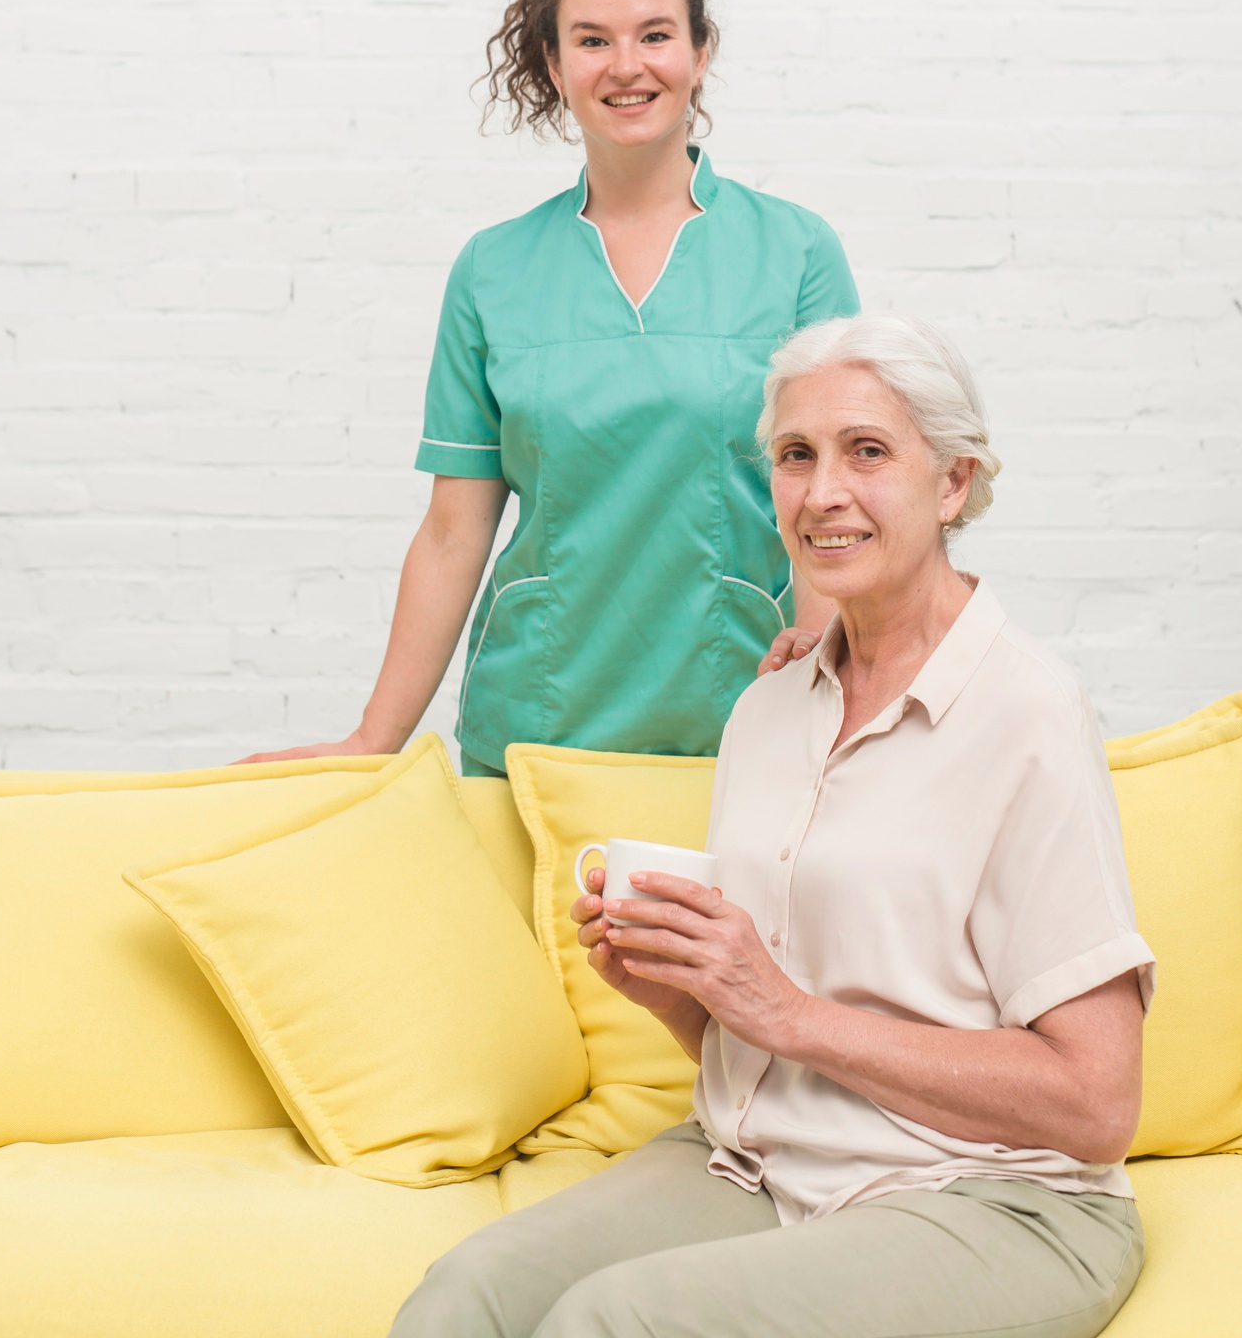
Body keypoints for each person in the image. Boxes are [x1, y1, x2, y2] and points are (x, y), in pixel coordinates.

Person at [391, 315, 1152, 1338]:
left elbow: (1098, 1101)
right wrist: (680, 989)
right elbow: (766, 1030)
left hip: (993, 1194)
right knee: (464, 1295)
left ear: (954, 482)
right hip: (762, 1158)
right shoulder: (769, 707)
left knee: (615, 1320)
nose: (822, 491)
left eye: (868, 451)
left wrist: (788, 1011)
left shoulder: (1030, 712)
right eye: (796, 455)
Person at [243, 0, 858, 776]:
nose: (627, 65)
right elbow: (455, 532)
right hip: (534, 720)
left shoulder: (794, 253)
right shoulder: (494, 271)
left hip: (744, 718)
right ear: (553, 64)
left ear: (700, 51)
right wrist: (370, 742)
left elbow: (839, 503)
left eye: (655, 35)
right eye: (592, 40)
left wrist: (828, 685)